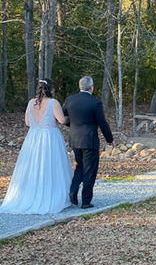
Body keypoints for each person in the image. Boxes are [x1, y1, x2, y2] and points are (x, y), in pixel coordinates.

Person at [0, 78, 73, 214]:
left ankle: (30, 194)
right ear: (50, 89)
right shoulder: (53, 102)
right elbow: (62, 120)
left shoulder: (30, 103)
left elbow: (28, 122)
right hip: (49, 137)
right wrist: (72, 117)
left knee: (32, 166)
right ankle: (50, 195)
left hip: (33, 137)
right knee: (50, 165)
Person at [63, 76, 114, 209]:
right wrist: (110, 139)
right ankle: (86, 201)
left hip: (75, 140)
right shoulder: (95, 102)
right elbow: (102, 122)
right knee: (90, 170)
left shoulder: (70, 100)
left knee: (80, 166)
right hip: (90, 140)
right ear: (91, 88)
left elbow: (64, 118)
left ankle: (73, 191)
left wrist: (73, 125)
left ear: (80, 87)